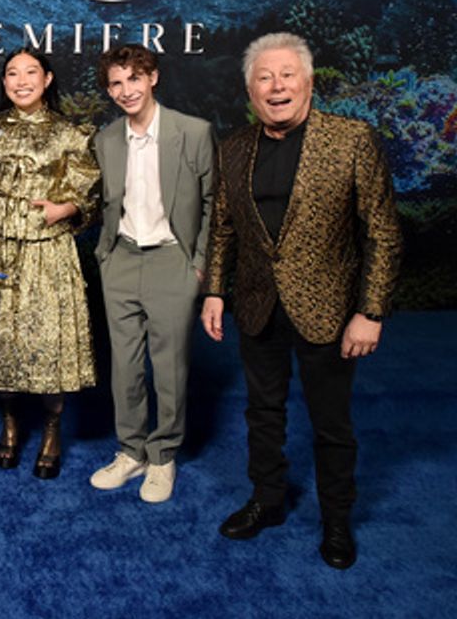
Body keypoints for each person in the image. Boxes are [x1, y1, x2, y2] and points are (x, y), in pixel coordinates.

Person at [201, 32, 402, 569]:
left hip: (331, 310)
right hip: (257, 303)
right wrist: (215, 290)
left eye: (287, 74)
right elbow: (222, 228)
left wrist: (371, 311)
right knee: (262, 412)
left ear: (308, 82)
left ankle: (336, 520)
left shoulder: (352, 140)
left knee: (331, 423)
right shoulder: (233, 148)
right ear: (250, 90)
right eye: (264, 78)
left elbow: (383, 232)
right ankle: (267, 500)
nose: (277, 86)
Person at [0, 47, 100, 480]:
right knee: (2, 345)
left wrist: (66, 209)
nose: (22, 80)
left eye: (31, 72)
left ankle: (52, 429)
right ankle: (10, 423)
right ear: (4, 82)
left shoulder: (70, 134)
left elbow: (90, 193)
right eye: (13, 73)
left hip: (48, 252)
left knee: (48, 346)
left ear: (47, 80)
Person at [88, 44, 216, 503]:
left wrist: (197, 265)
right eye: (116, 83)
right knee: (124, 366)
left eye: (134, 79)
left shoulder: (193, 132)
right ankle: (131, 451)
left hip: (171, 260)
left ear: (153, 78)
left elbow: (213, 205)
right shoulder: (105, 139)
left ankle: (162, 457)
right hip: (121, 259)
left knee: (169, 366)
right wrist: (105, 257)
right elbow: (103, 203)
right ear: (109, 91)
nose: (126, 90)